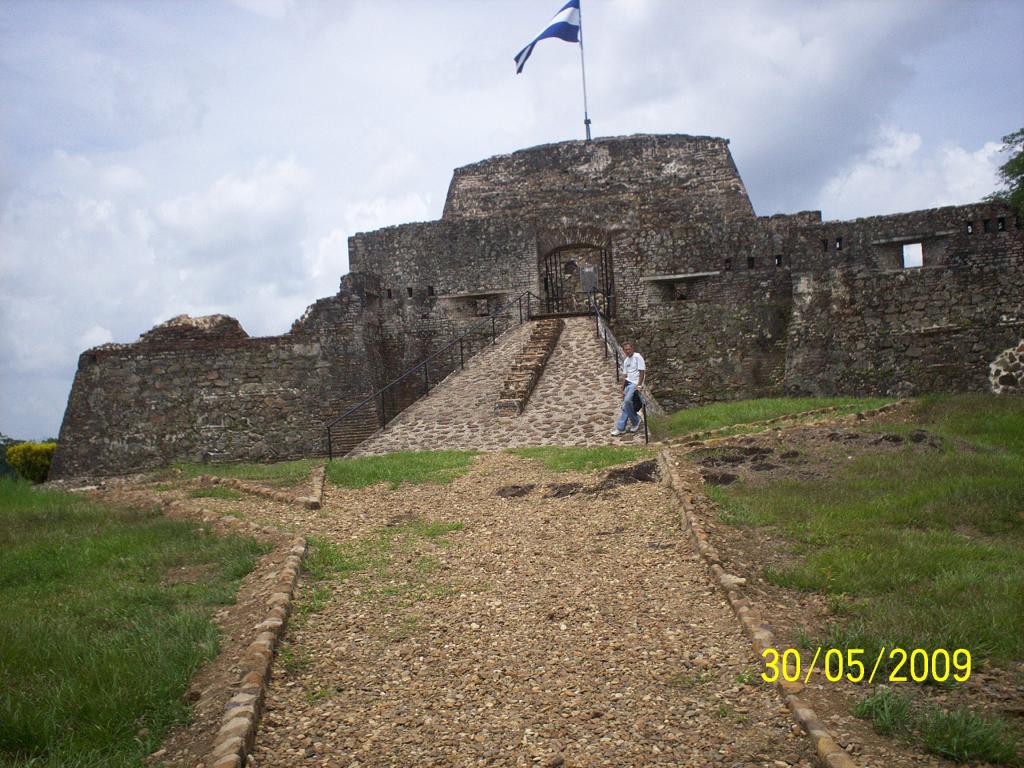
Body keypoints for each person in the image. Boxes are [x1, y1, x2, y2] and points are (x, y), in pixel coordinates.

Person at [610, 341, 645, 436]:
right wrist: (622, 389)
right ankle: (621, 428)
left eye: (629, 349)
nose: (628, 351)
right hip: (628, 384)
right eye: (626, 350)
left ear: (632, 348)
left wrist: (639, 385)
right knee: (625, 406)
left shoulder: (637, 357)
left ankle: (635, 420)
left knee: (627, 401)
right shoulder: (626, 361)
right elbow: (625, 376)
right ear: (624, 351)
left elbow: (642, 372)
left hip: (635, 383)